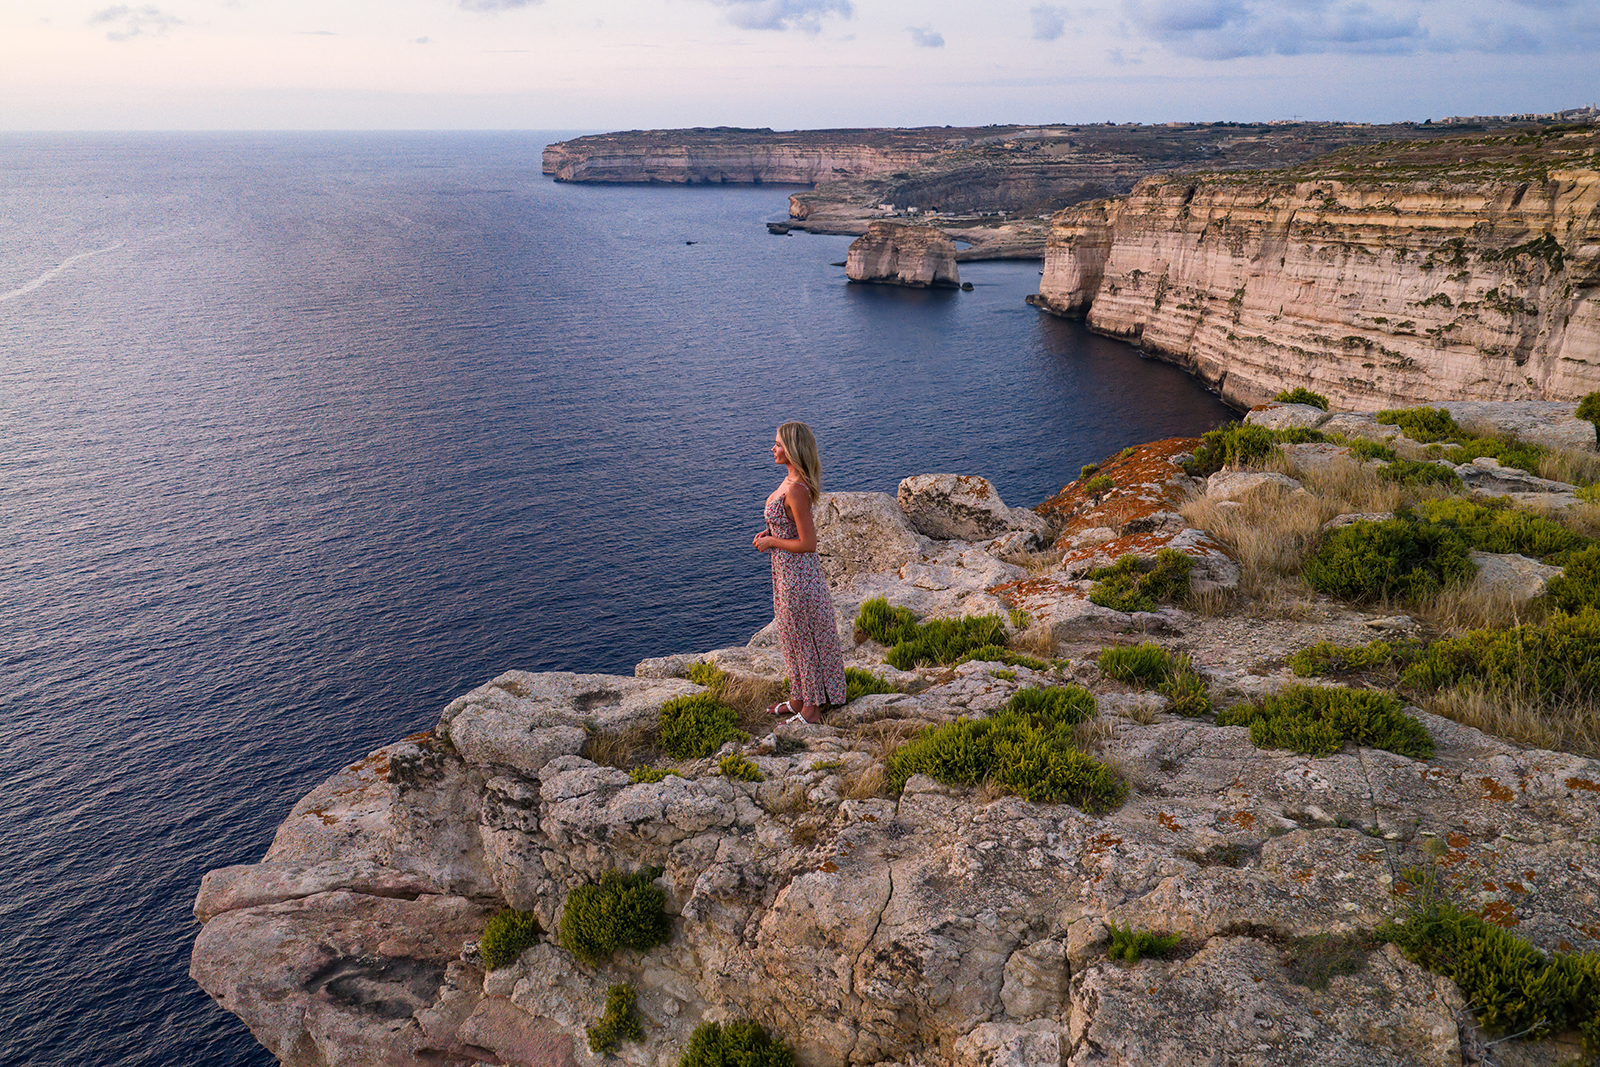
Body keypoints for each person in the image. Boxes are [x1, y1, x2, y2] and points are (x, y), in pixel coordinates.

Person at [752, 421, 847, 724]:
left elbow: (808, 543)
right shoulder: (789, 481)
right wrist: (770, 533)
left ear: (792, 449)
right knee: (790, 636)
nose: (773, 448)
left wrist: (771, 541)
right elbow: (788, 526)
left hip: (799, 577)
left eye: (778, 444)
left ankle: (813, 708)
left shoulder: (796, 489)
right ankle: (798, 697)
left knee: (803, 639)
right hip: (785, 574)